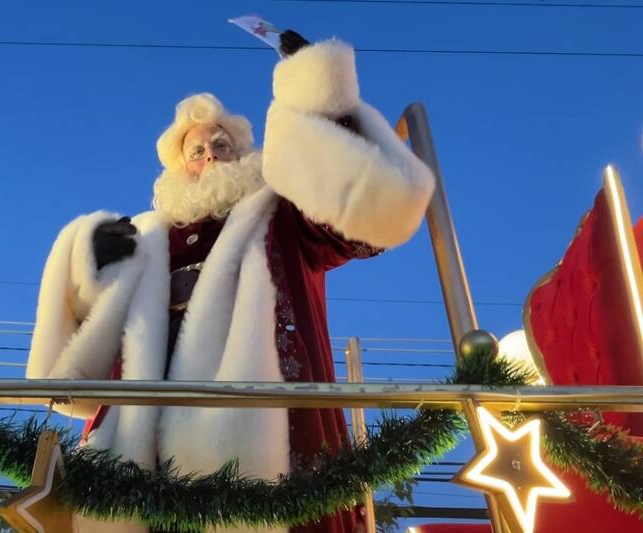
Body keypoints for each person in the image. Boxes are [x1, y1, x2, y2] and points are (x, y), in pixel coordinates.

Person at [26, 32, 435, 533]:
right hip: (143, 444)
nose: (211, 156)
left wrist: (321, 102)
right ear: (179, 168)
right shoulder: (147, 238)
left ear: (243, 156)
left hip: (270, 442)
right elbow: (88, 336)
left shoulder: (280, 217)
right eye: (197, 150)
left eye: (221, 146)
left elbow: (353, 212)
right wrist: (86, 258)